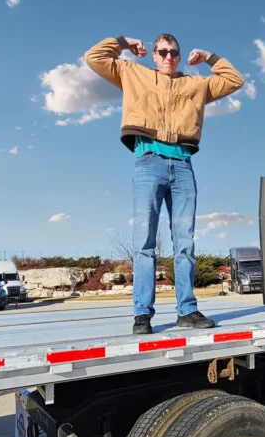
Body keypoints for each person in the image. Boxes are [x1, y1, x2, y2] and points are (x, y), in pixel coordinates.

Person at [85, 33, 244, 334]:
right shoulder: (133, 73)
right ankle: (142, 315)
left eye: (174, 53)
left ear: (179, 57)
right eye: (162, 52)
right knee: (144, 241)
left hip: (183, 167)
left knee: (185, 243)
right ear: (154, 56)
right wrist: (122, 42)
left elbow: (234, 80)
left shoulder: (196, 85)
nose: (168, 57)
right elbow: (95, 58)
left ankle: (187, 310)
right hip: (148, 163)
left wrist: (209, 57)